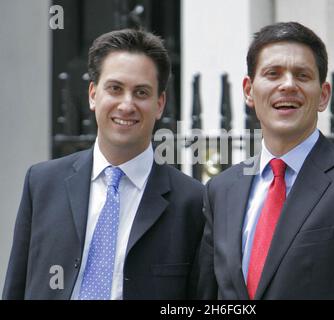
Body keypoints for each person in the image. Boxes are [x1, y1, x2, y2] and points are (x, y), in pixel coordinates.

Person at [197, 22, 334, 299]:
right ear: (248, 91)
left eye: (302, 75)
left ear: (323, 95)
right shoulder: (221, 190)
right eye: (273, 74)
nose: (287, 85)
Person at [3, 28, 204, 300]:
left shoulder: (192, 202)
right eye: (115, 89)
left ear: (160, 104)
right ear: (93, 94)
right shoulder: (41, 183)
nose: (126, 104)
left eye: (141, 92)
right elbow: (15, 287)